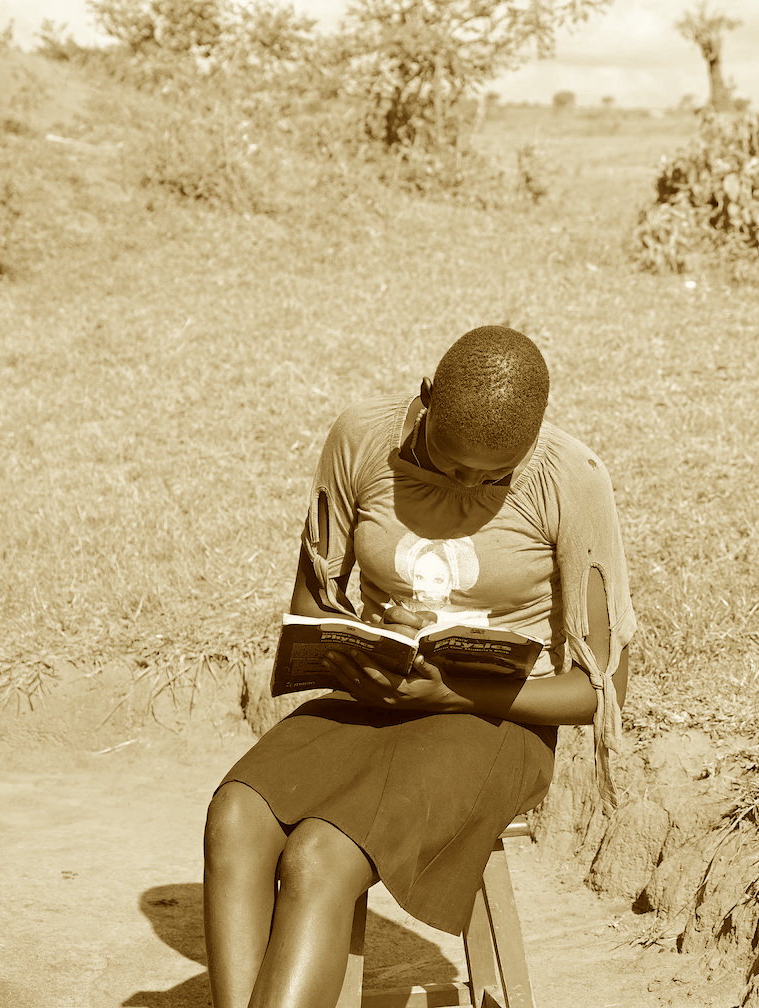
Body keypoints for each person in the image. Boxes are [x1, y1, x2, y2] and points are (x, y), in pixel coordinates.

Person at [203, 325, 634, 1008]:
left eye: (495, 476)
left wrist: (456, 689)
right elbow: (313, 604)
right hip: (378, 694)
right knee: (236, 813)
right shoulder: (360, 441)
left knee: (319, 853)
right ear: (426, 397)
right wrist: (363, 646)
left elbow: (597, 692)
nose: (470, 487)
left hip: (496, 722)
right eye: (451, 464)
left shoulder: (569, 479)